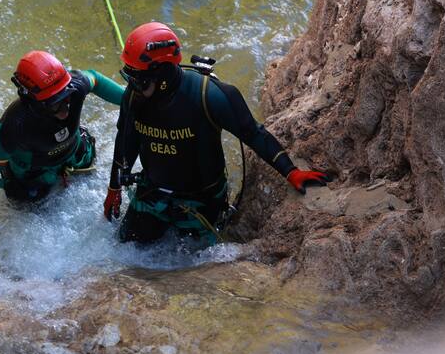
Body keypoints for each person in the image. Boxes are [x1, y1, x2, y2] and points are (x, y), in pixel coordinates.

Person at [103, 22, 330, 244]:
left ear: (162, 75)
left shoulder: (209, 97)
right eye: (129, 79)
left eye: (138, 81)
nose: (133, 87)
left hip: (201, 202)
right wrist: (114, 186)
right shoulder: (134, 97)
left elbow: (253, 134)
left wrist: (291, 172)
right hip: (153, 193)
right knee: (124, 250)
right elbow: (126, 140)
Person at [0, 50, 124, 215]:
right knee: (23, 202)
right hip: (33, 172)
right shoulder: (15, 126)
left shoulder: (75, 86)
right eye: (56, 103)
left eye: (67, 98)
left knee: (87, 155)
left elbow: (96, 79)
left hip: (73, 151)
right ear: (31, 100)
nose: (66, 110)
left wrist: (136, 103)